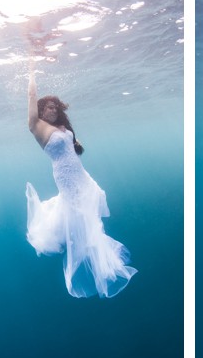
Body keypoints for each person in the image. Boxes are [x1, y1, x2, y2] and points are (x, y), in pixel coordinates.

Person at [24, 58, 137, 298]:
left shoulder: (62, 129)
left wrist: (75, 142)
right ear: (41, 110)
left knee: (89, 217)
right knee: (79, 216)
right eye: (49, 107)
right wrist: (32, 69)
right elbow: (31, 97)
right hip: (65, 178)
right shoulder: (37, 127)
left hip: (80, 174)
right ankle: (90, 258)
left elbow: (71, 148)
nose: (53, 110)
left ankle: (94, 251)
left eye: (56, 107)